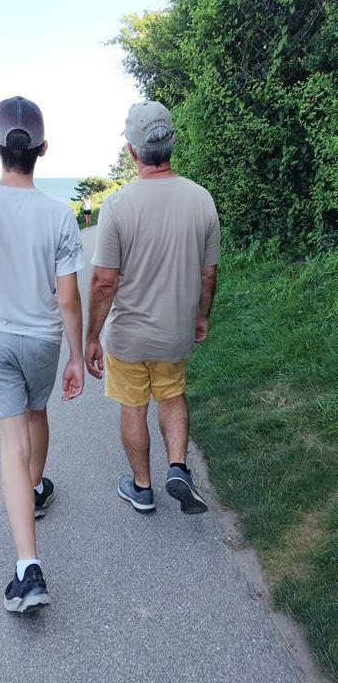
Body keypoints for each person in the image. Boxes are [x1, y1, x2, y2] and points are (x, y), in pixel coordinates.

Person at [0, 96, 84, 612]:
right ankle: (36, 489)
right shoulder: (60, 215)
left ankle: (28, 569)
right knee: (36, 412)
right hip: (43, 338)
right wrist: (76, 356)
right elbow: (67, 299)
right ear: (42, 150)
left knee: (11, 442)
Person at [85, 101, 220, 516]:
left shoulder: (117, 206)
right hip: (174, 332)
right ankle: (178, 467)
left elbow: (104, 282)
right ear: (172, 143)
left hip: (129, 337)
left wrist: (91, 336)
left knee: (133, 406)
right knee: (172, 395)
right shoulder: (201, 199)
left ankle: (142, 488)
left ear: (132, 151)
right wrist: (201, 317)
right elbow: (207, 275)